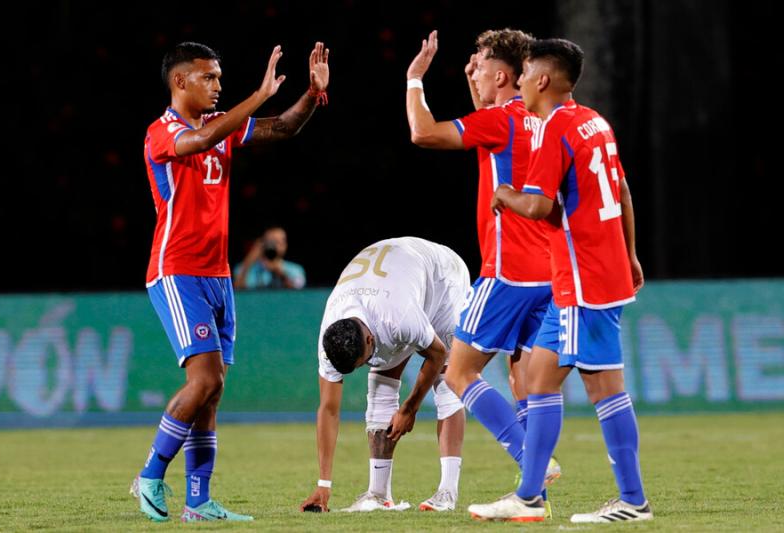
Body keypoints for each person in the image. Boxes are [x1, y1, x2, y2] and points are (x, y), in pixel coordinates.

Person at [131, 40, 329, 522]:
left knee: (213, 390)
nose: (218, 85)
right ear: (180, 81)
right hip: (177, 271)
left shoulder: (221, 128)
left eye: (220, 77)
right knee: (205, 379)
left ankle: (198, 502)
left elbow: (284, 127)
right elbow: (199, 141)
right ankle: (150, 475)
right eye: (209, 77)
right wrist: (258, 96)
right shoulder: (162, 132)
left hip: (217, 275)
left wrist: (311, 94)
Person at [469, 38, 651, 522]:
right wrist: (631, 253)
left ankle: (629, 500)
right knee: (544, 380)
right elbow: (622, 189)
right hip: (598, 271)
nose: (522, 82)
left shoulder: (555, 129)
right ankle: (532, 497)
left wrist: (504, 194)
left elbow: (538, 205)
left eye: (526, 74)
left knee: (596, 388)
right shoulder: (595, 122)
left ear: (543, 79)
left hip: (581, 277)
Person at [405, 29, 560, 513]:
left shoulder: (500, 120)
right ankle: (532, 499)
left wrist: (414, 79)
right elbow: (487, 126)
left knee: (458, 372)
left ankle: (531, 461)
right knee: (523, 379)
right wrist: (476, 81)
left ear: (502, 75)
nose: (473, 69)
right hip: (549, 271)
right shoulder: (539, 118)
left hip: (507, 270)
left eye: (481, 63)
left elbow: (423, 132)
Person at [299, 237, 470, 513]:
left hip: (443, 278)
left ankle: (447, 492)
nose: (366, 366)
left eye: (363, 361)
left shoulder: (398, 318)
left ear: (369, 339)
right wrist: (323, 484)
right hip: (394, 280)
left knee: (446, 380)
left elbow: (437, 354)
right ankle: (379, 494)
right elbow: (328, 409)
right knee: (379, 385)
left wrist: (410, 408)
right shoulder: (331, 334)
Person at [233, 226, 306, 289]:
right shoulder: (243, 268)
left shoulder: (296, 269)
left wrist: (280, 273)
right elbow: (237, 290)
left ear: (285, 245)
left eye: (277, 242)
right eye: (269, 242)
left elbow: (298, 292)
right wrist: (250, 258)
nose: (272, 246)